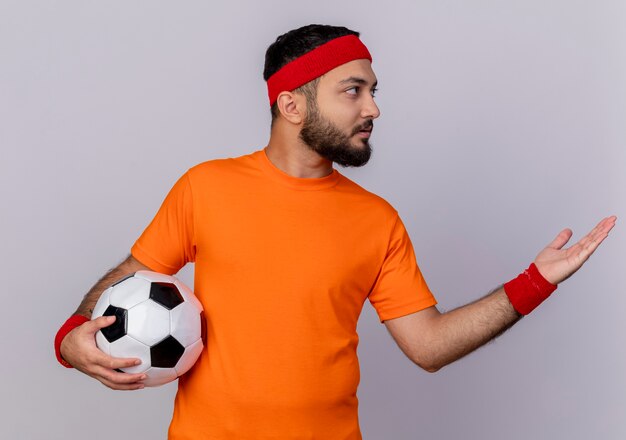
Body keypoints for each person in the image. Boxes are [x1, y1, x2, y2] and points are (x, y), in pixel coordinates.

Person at [55, 24, 616, 439]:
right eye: (353, 90)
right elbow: (128, 280)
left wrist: (534, 282)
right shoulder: (205, 188)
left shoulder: (377, 220)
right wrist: (71, 339)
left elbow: (428, 346)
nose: (373, 107)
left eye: (373, 90)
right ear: (291, 104)